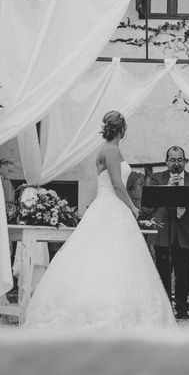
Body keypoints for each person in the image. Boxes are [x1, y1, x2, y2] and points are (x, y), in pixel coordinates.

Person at [24, 111, 176, 330]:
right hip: (112, 206)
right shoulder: (112, 150)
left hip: (105, 206)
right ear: (121, 129)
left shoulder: (106, 149)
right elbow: (116, 184)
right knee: (113, 258)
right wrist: (133, 207)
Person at [146, 146, 189, 319]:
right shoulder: (157, 178)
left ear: (184, 161)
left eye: (179, 160)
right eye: (172, 160)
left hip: (185, 233)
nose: (176, 163)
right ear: (166, 162)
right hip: (164, 233)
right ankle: (165, 309)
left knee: (183, 274)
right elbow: (148, 206)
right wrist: (168, 187)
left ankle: (182, 308)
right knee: (163, 272)